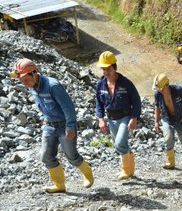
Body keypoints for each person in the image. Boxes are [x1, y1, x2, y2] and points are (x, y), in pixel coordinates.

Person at [10, 58, 94, 193]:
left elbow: (68, 107)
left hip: (64, 126)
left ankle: (88, 174)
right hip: (49, 126)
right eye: (21, 81)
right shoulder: (32, 86)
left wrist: (70, 126)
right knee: (46, 156)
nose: (24, 84)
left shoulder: (52, 86)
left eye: (25, 80)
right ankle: (59, 185)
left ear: (34, 73)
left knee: (71, 156)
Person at [95, 51, 141, 180]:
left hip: (125, 117)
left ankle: (126, 170)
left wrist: (134, 117)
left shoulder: (126, 83)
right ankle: (129, 167)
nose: (105, 71)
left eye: (108, 68)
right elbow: (98, 102)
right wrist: (100, 119)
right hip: (111, 118)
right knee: (118, 144)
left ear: (114, 67)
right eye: (103, 69)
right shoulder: (100, 84)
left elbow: (136, 101)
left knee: (120, 142)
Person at [153, 73, 182, 169]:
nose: (160, 90)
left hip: (181, 118)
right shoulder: (158, 94)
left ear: (167, 85)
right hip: (167, 118)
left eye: (161, 88)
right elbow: (157, 107)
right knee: (168, 139)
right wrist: (156, 121)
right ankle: (170, 162)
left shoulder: (178, 90)